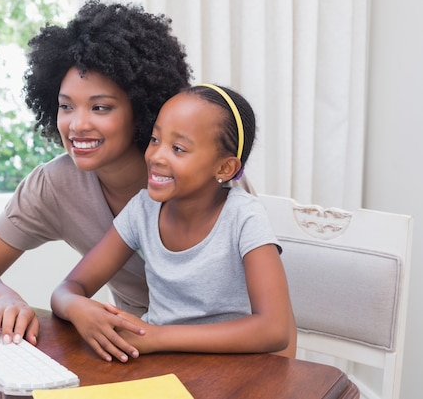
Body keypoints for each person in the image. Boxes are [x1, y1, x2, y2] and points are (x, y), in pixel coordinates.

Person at [0, 0, 253, 347]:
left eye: (100, 107)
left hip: (228, 352)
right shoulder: (55, 185)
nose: (77, 125)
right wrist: (4, 299)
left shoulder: (199, 175)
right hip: (133, 348)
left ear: (142, 108)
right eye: (66, 107)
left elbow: (271, 320)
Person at [50, 84, 297, 363]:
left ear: (224, 168)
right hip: (159, 365)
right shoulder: (142, 210)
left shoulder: (244, 217)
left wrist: (156, 337)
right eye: (155, 140)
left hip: (232, 370)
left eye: (178, 148)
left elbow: (274, 330)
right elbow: (68, 288)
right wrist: (78, 307)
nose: (156, 156)